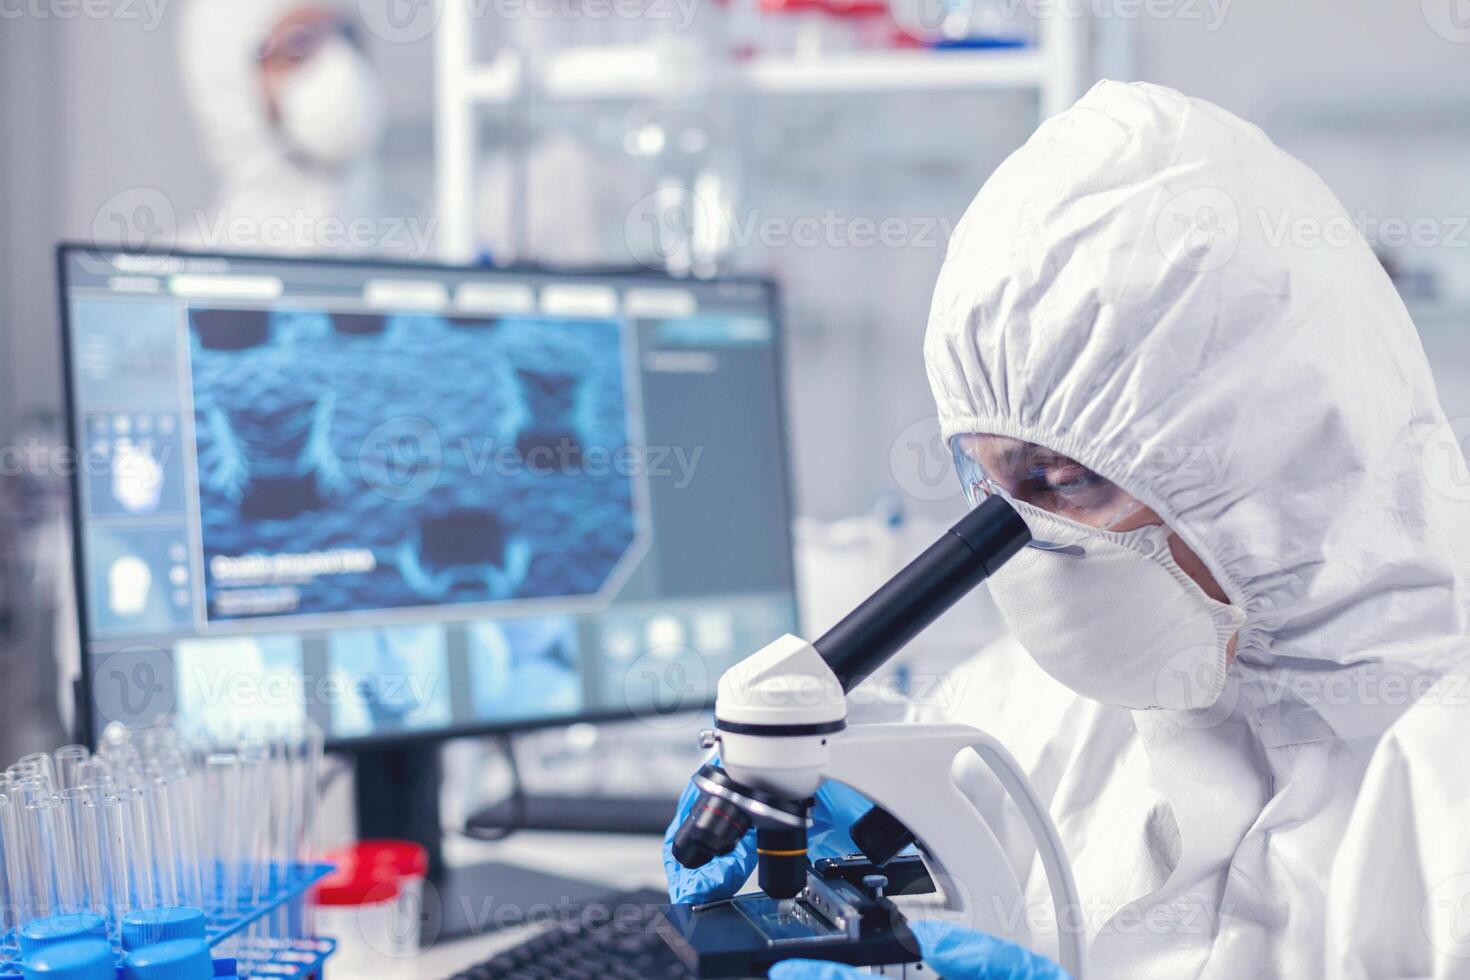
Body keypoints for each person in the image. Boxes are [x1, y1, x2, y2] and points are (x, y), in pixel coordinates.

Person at [666, 80, 1470, 979]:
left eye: (1066, 481)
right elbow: (937, 813)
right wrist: (856, 807)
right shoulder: (1061, 697)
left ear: (1273, 465)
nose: (1021, 542)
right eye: (988, 481)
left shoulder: (1443, 804)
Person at [177, 0, 385, 253]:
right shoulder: (181, 270)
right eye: (299, 41)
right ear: (230, 83)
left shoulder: (424, 257)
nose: (341, 63)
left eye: (346, 34)